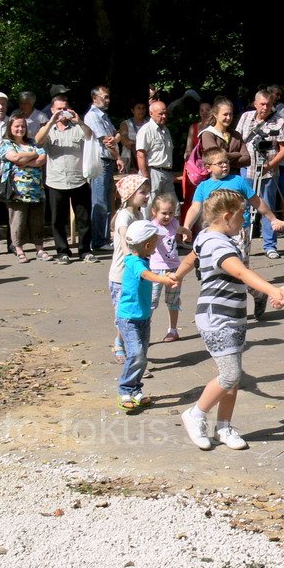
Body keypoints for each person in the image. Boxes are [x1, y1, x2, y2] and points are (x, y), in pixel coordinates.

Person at [175, 190, 284, 451]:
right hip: (217, 317)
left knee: (232, 377)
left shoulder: (207, 236)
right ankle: (196, 414)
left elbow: (192, 257)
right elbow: (239, 270)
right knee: (230, 374)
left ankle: (223, 426)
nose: (246, 219)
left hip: (233, 315)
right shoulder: (218, 243)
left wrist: (177, 276)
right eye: (242, 214)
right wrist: (271, 290)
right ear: (227, 217)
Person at [184, 148, 284, 319]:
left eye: (226, 162)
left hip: (239, 231)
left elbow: (256, 201)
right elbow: (195, 207)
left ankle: (244, 302)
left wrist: (272, 219)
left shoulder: (239, 181)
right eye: (220, 164)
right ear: (208, 167)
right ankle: (255, 294)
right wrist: (186, 226)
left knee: (238, 270)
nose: (225, 166)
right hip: (214, 232)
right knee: (221, 272)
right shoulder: (203, 187)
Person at [114, 220, 177, 412]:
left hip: (143, 317)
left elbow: (150, 273)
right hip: (129, 318)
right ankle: (125, 389)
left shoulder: (144, 259)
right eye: (156, 242)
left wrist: (165, 275)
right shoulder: (133, 261)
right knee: (137, 354)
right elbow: (147, 275)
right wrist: (163, 280)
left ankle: (135, 389)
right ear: (147, 245)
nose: (158, 244)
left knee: (142, 356)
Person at [35, 96, 98, 264]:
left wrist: (80, 121)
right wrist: (50, 123)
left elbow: (91, 136)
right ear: (52, 110)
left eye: (65, 108)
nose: (62, 112)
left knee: (84, 219)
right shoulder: (48, 129)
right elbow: (38, 141)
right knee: (58, 220)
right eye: (58, 109)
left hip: (79, 180)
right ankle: (63, 251)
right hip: (56, 182)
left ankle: (85, 251)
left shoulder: (77, 127)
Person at [238, 89, 284, 259]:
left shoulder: (280, 122)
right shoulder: (245, 117)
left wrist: (269, 165)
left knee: (267, 207)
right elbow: (237, 141)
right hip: (247, 169)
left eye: (268, 104)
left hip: (269, 171)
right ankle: (242, 242)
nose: (265, 107)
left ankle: (270, 245)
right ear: (255, 104)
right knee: (244, 206)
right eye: (262, 104)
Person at [107, 174, 151, 363]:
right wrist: (131, 256)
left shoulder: (139, 214)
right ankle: (127, 351)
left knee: (130, 314)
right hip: (120, 275)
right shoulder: (124, 215)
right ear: (130, 194)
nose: (147, 196)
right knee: (125, 316)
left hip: (134, 273)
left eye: (148, 192)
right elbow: (125, 237)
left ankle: (122, 343)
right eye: (143, 192)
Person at [0, 114, 49, 261]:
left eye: (23, 126)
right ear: (10, 128)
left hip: (36, 189)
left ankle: (40, 249)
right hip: (16, 191)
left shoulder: (32, 142)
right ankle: (19, 250)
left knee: (37, 221)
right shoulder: (6, 144)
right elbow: (14, 158)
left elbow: (42, 159)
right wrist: (32, 154)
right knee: (18, 221)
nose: (20, 129)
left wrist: (25, 161)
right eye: (17, 126)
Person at [84, 86, 123, 250]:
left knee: (107, 202)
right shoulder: (92, 116)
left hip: (108, 161)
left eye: (108, 97)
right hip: (100, 161)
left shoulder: (104, 116)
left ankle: (104, 239)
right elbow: (108, 140)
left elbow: (118, 134)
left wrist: (115, 139)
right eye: (104, 97)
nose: (107, 100)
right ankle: (98, 240)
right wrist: (118, 156)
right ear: (94, 98)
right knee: (99, 202)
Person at [148, 193, 189, 343]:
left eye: (171, 213)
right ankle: (145, 329)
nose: (167, 216)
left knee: (173, 300)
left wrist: (187, 233)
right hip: (156, 269)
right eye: (164, 213)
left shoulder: (173, 224)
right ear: (154, 212)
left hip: (174, 268)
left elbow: (181, 229)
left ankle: (173, 330)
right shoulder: (152, 227)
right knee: (152, 301)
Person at [136, 100, 177, 207]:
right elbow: (141, 155)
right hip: (152, 172)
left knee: (173, 206)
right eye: (160, 114)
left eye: (165, 113)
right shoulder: (146, 130)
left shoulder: (165, 130)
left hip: (167, 173)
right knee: (150, 207)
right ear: (151, 114)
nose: (164, 116)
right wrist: (146, 178)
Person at [199, 97, 250, 172]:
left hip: (235, 180)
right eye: (225, 114)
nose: (228, 118)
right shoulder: (208, 134)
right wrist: (237, 154)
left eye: (231, 114)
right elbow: (216, 157)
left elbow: (247, 160)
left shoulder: (236, 135)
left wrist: (224, 160)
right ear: (215, 115)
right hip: (216, 180)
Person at [181, 100, 212, 211]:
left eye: (207, 110)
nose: (204, 112)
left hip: (209, 167)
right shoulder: (193, 127)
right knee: (191, 197)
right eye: (202, 110)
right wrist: (188, 156)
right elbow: (188, 149)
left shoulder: (214, 127)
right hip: (196, 168)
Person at [116, 100, 148, 174]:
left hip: (145, 159)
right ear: (132, 110)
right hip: (128, 159)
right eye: (138, 108)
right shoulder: (125, 124)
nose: (141, 110)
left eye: (143, 108)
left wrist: (134, 143)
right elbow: (125, 141)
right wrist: (142, 144)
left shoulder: (148, 124)